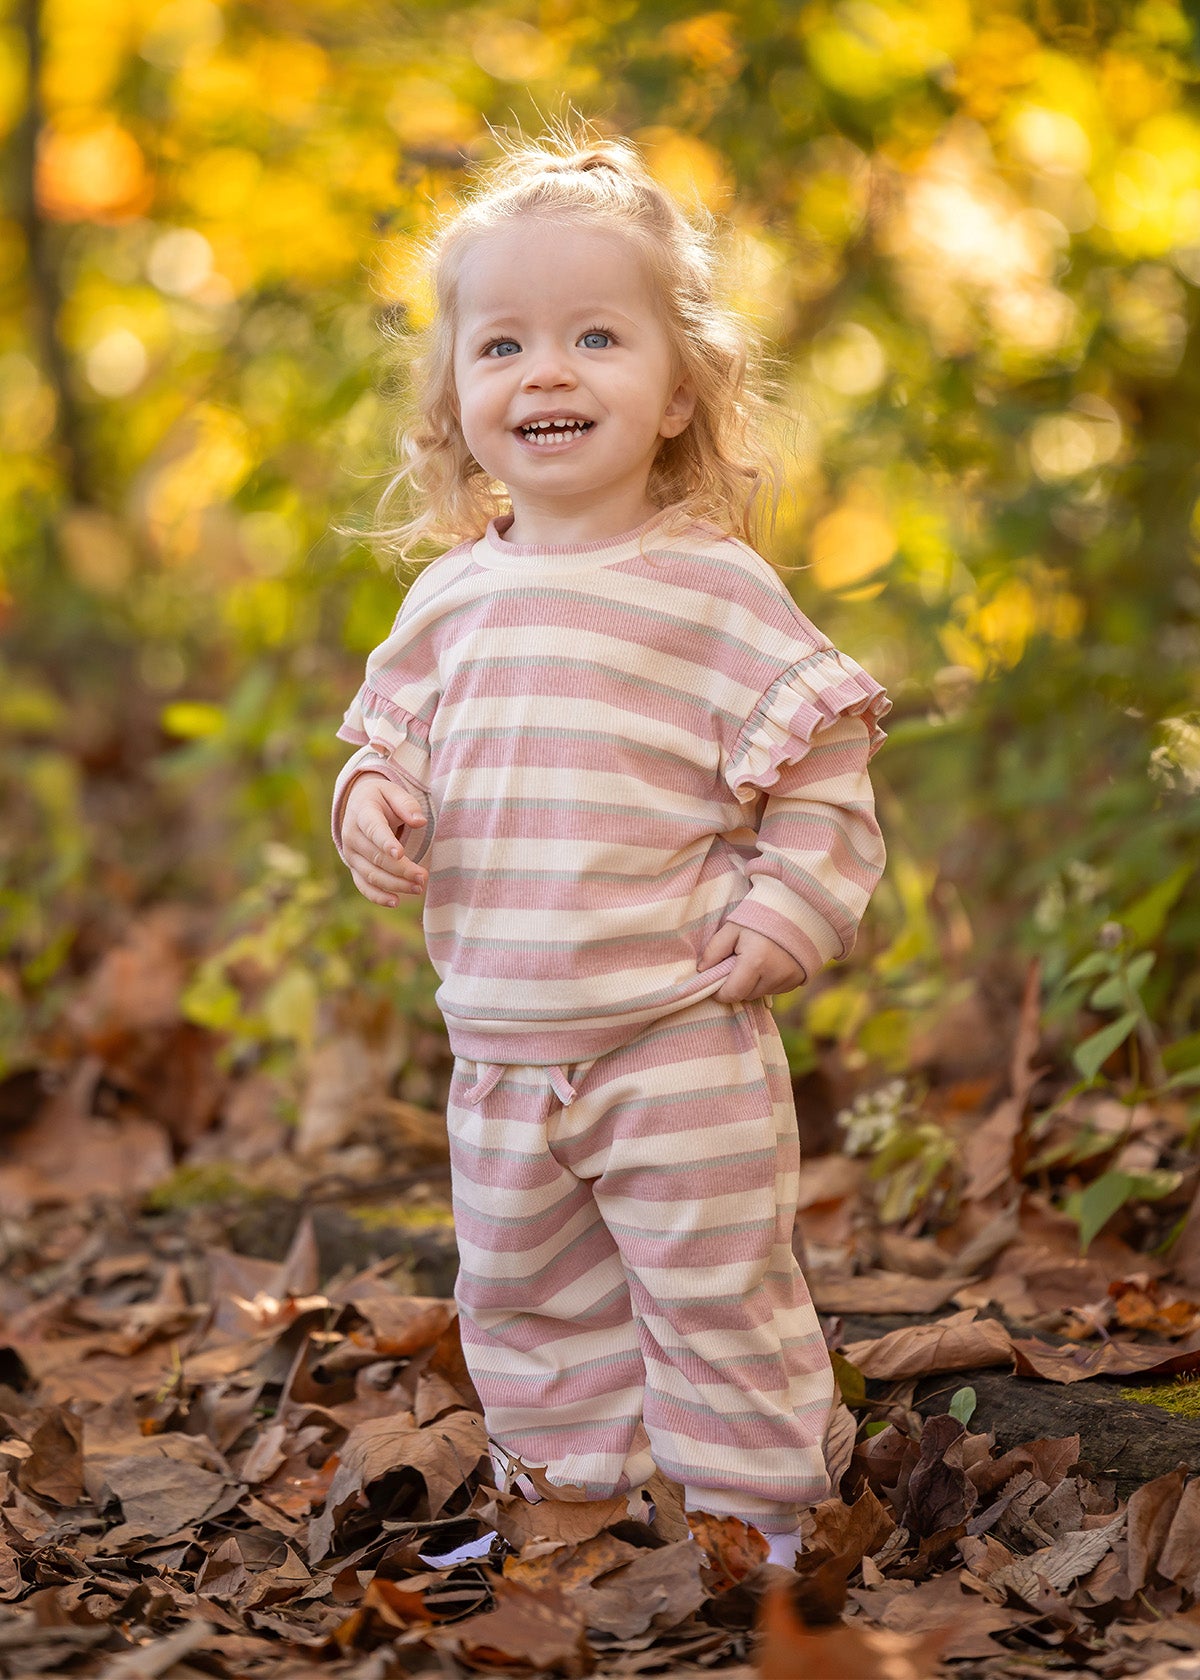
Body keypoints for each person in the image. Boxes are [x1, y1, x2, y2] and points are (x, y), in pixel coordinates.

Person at [330, 129, 889, 1567]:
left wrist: (791, 910)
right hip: (502, 1046)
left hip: (673, 1031)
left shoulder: (712, 589)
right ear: (456, 402)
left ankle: (758, 1522)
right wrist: (372, 806)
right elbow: (383, 745)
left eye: (597, 336)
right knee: (527, 1302)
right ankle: (573, 1514)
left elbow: (823, 765)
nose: (549, 372)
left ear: (680, 390)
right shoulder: (452, 600)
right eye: (503, 344)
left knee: (716, 1291)